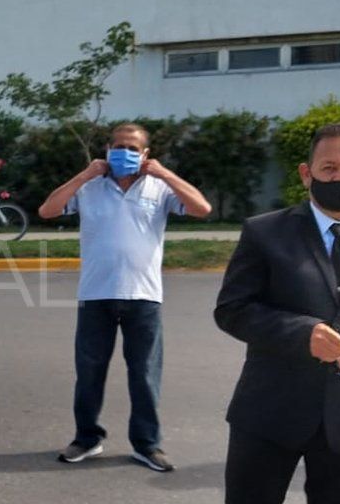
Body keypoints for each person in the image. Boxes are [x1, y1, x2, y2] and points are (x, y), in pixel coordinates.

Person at [211, 123, 340, 504]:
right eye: (330, 168)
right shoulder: (266, 231)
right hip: (269, 410)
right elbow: (232, 309)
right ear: (306, 173)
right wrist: (301, 334)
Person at [37, 123, 211, 472]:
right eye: (117, 146)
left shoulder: (159, 187)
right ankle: (87, 438)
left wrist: (163, 172)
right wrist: (85, 173)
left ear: (145, 154)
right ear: (107, 149)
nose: (124, 152)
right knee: (89, 371)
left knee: (145, 373)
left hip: (144, 296)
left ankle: (147, 444)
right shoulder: (90, 188)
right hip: (95, 293)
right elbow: (47, 211)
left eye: (132, 147)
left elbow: (201, 209)